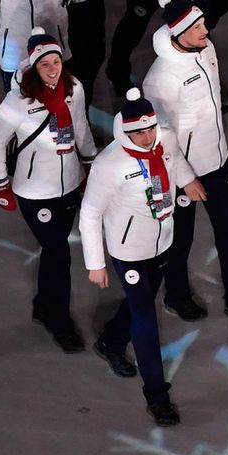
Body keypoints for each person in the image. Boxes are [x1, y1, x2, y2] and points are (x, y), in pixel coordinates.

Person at [79, 88, 207, 426]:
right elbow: (90, 213)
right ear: (124, 130)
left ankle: (111, 341)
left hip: (162, 239)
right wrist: (96, 262)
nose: (148, 137)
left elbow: (175, 161)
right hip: (128, 250)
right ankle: (157, 395)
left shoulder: (165, 140)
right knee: (146, 319)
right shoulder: (110, 164)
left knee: (143, 300)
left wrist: (189, 180)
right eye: (139, 132)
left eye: (151, 128)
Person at [143, 0, 228, 320]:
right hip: (181, 176)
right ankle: (176, 295)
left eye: (204, 24)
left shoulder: (206, 50)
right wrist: (186, 179)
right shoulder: (159, 79)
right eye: (198, 27)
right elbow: (160, 138)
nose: (206, 30)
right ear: (179, 33)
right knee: (179, 240)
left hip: (217, 161)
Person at [0, 34, 96, 352]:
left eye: (57, 62)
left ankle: (44, 304)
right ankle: (59, 322)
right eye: (45, 64)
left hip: (69, 184)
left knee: (53, 250)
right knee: (60, 253)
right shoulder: (17, 101)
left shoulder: (74, 90)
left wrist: (89, 161)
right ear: (34, 66)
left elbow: (81, 126)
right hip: (34, 191)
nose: (52, 69)